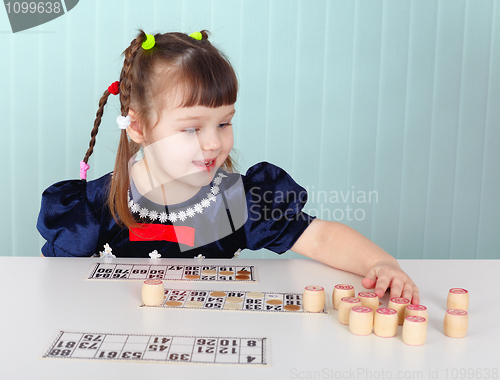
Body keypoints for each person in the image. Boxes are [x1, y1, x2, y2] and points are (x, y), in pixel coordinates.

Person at [37, 30, 419, 304]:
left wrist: (382, 263)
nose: (213, 142)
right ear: (138, 127)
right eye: (191, 128)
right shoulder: (90, 210)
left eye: (224, 123)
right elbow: (57, 289)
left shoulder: (238, 204)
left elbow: (319, 237)